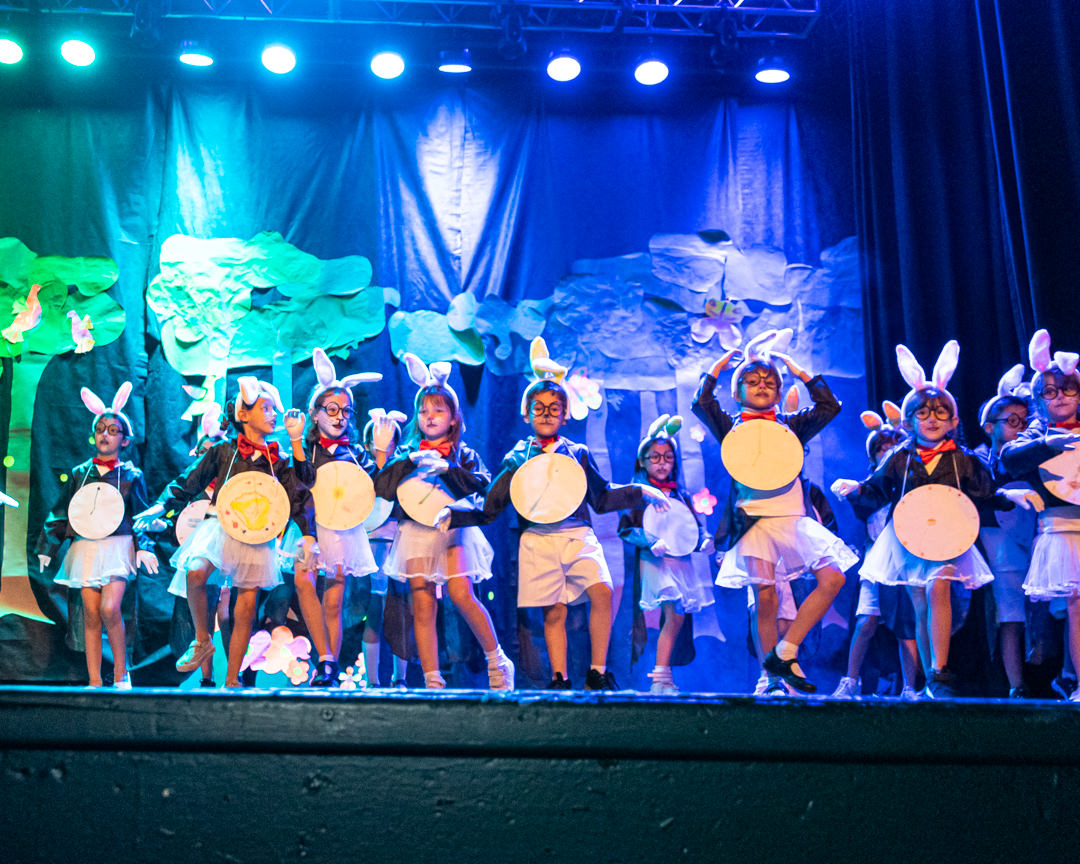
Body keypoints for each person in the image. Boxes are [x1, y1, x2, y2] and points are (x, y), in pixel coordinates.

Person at [438, 337, 669, 690]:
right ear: (527, 414)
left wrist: (643, 492)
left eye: (553, 408)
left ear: (565, 414)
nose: (546, 413)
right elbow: (491, 504)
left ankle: (597, 671)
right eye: (539, 407)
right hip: (538, 537)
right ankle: (559, 678)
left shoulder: (577, 453)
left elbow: (602, 497)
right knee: (554, 608)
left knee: (602, 590)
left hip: (577, 533)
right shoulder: (518, 457)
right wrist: (454, 514)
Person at [834, 342, 1029, 698]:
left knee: (939, 586)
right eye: (923, 413)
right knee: (920, 604)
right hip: (908, 538)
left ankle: (940, 671)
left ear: (953, 420)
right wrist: (855, 489)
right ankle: (930, 680)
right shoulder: (899, 457)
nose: (933, 418)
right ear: (910, 420)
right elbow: (877, 490)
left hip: (947, 537)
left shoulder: (963, 458)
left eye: (941, 412)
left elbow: (983, 493)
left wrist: (1008, 497)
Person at [692, 328, 854, 694]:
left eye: (769, 382)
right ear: (738, 392)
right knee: (765, 597)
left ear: (780, 392)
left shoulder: (790, 426)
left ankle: (786, 651)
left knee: (833, 579)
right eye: (752, 381)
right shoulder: (732, 427)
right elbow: (702, 403)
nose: (762, 386)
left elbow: (829, 407)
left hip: (791, 516)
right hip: (753, 521)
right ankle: (770, 678)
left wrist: (799, 371)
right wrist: (717, 369)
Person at [137, 377, 315, 688]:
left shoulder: (279, 459)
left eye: (274, 409)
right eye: (266, 408)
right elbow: (189, 480)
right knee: (195, 572)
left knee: (245, 606)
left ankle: (233, 679)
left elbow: (303, 485)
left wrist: (297, 440)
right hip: (219, 526)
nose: (274, 414)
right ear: (243, 415)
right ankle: (202, 639)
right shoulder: (223, 451)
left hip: (256, 535)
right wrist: (160, 506)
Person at [374, 354, 513, 691]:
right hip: (415, 532)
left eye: (438, 410)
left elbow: (483, 488)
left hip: (453, 530)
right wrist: (402, 460)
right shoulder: (408, 452)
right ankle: (432, 681)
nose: (430, 416)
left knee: (461, 592)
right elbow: (382, 489)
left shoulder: (463, 454)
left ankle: (497, 661)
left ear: (453, 418)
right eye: (424, 411)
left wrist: (449, 469)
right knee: (422, 602)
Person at [36, 382, 158, 688]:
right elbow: (63, 512)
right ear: (93, 435)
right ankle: (94, 680)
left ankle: (121, 672)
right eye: (101, 429)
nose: (105, 434)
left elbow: (140, 516)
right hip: (87, 548)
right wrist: (47, 547)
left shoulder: (131, 475)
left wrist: (144, 547)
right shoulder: (80, 473)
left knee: (109, 608)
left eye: (113, 430)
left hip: (117, 548)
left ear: (125, 439)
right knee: (90, 613)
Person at [292, 349, 395, 686]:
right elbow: (300, 485)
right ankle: (324, 655)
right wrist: (295, 441)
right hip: (309, 526)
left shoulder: (355, 452)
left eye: (346, 410)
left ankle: (329, 666)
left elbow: (375, 489)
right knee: (304, 582)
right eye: (332, 409)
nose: (339, 417)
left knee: (335, 595)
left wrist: (382, 454)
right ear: (315, 412)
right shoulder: (305, 450)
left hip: (342, 528)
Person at [1000, 330, 1080, 704]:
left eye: (1067, 389)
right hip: (1060, 530)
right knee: (1076, 606)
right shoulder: (1038, 432)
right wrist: (1047, 443)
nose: (1060, 396)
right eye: (1050, 391)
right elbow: (1008, 459)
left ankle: (1069, 676)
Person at [831, 402, 922, 700]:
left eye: (894, 446)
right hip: (877, 561)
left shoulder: (912, 485)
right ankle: (850, 681)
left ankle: (910, 687)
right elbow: (863, 503)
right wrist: (853, 489)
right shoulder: (872, 486)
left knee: (906, 626)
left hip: (907, 560)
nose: (889, 452)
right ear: (873, 456)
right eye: (882, 448)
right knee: (866, 620)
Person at [617, 414, 713, 694]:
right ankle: (660, 679)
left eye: (668, 457)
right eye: (655, 457)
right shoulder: (638, 493)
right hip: (655, 562)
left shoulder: (680, 494)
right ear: (643, 461)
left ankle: (663, 678)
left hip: (680, 562)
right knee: (673, 613)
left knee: (678, 617)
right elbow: (626, 529)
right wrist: (649, 540)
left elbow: (692, 527)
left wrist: (704, 541)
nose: (662, 463)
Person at [974, 364, 1037, 698]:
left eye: (1024, 420)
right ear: (990, 426)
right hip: (999, 543)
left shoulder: (1034, 454)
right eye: (1011, 421)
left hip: (1036, 537)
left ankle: (1062, 674)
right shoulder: (978, 460)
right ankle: (1016, 686)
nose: (1019, 426)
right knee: (1010, 613)